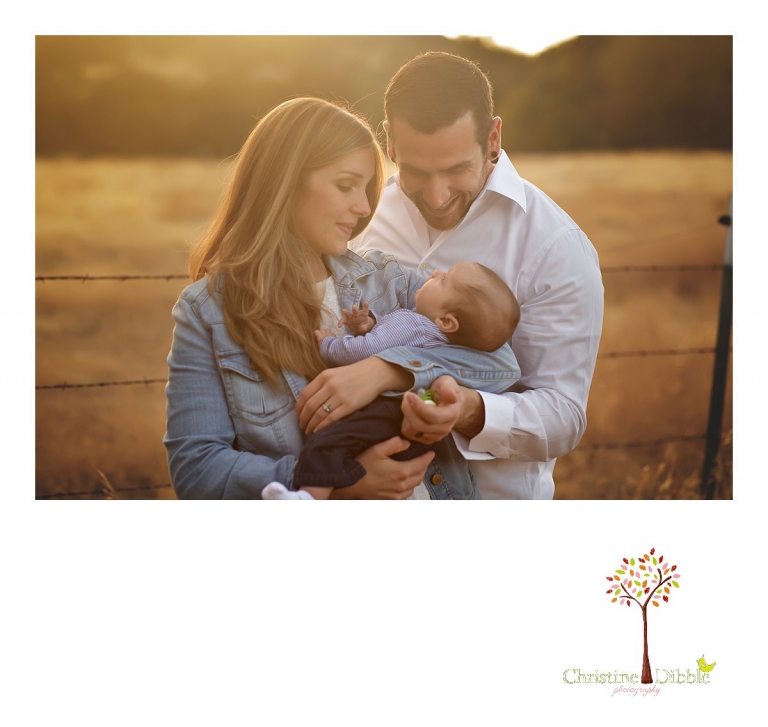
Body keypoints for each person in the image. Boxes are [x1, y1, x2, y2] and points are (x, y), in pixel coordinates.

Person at [164, 96, 520, 499]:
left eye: (367, 188)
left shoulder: (389, 281)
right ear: (284, 182)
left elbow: (501, 362)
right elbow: (196, 470)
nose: (365, 206)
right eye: (346, 185)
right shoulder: (206, 313)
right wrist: (335, 482)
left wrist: (389, 370)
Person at [351, 51, 605, 500]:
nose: (436, 195)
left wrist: (471, 410)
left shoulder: (556, 247)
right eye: (415, 171)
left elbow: (564, 416)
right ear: (389, 141)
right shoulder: (360, 214)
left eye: (456, 169)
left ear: (492, 137)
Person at [261, 261, 521, 499]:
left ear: (445, 321)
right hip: (414, 420)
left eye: (444, 280)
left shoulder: (412, 323)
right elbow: (388, 340)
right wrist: (368, 325)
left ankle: (308, 497)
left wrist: (329, 344)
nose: (435, 273)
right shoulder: (438, 338)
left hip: (386, 412)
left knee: (331, 442)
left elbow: (360, 352)